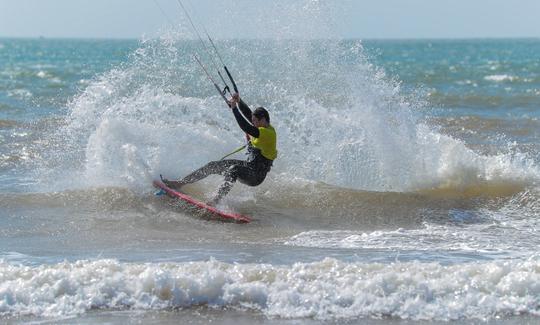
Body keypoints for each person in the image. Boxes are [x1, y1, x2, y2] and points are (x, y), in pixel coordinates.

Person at [162, 93, 277, 205]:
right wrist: (239, 101)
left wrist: (234, 109)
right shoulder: (261, 125)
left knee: (234, 169)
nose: (253, 124)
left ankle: (216, 200)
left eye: (255, 122)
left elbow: (245, 126)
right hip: (249, 166)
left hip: (256, 176)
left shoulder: (268, 133)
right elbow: (249, 115)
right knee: (213, 165)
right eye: (253, 121)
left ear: (263, 120)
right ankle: (180, 183)